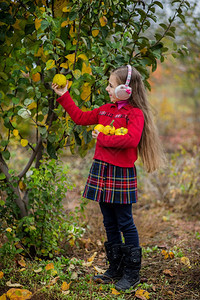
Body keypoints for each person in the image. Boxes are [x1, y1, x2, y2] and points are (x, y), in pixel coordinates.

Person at [52, 65, 166, 291]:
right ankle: (115, 268)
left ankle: (132, 273)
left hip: (121, 173)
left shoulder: (135, 114)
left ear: (126, 89)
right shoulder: (106, 110)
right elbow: (80, 117)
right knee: (109, 221)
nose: (107, 89)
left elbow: (131, 140)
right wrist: (64, 95)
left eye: (111, 86)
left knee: (125, 222)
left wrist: (102, 137)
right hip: (102, 170)